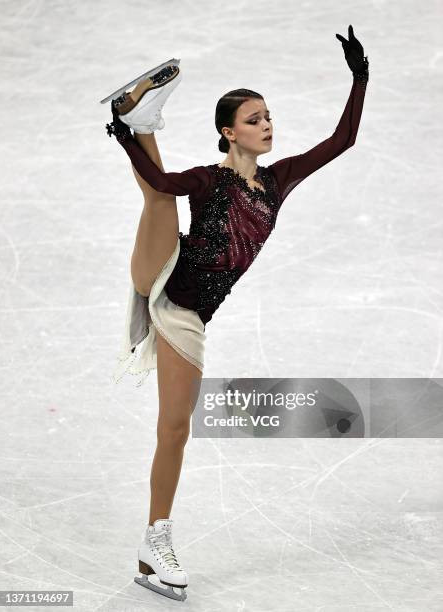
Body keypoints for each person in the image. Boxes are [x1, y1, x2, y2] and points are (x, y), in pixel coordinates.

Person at [103, 25, 369, 602]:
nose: (267, 125)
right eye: (254, 119)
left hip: (189, 319)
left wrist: (360, 78)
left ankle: (154, 542)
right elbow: (161, 180)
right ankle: (140, 118)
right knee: (160, 201)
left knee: (174, 428)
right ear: (228, 132)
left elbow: (342, 140)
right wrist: (125, 139)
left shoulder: (279, 180)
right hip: (164, 275)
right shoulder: (209, 180)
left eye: (269, 116)